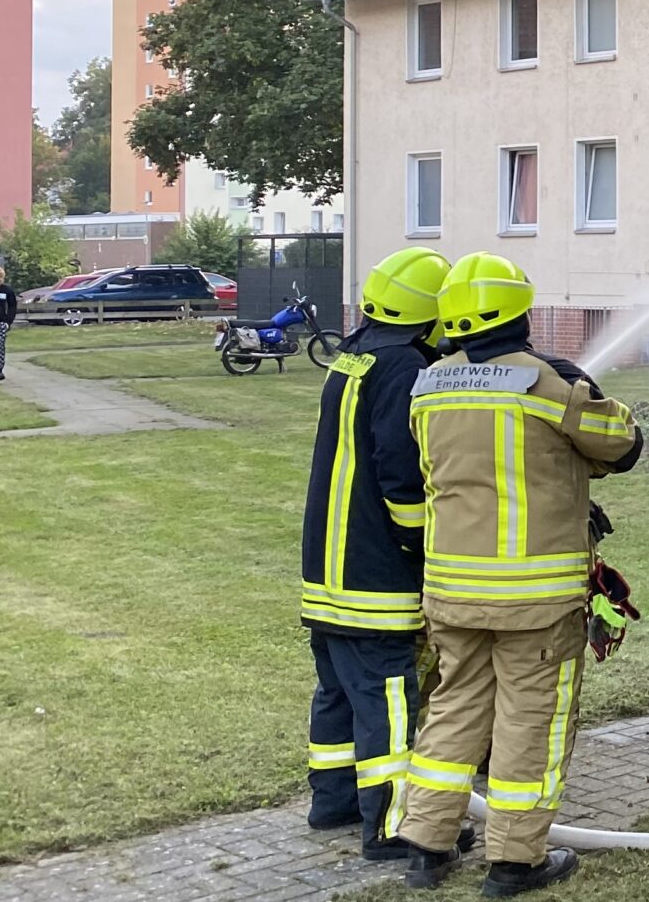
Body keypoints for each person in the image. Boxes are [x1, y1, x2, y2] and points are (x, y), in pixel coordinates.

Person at [398, 253, 642, 896]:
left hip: (451, 591)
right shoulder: (544, 385)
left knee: (452, 710)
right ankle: (514, 861)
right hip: (534, 601)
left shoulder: (428, 387)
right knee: (530, 720)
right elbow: (621, 443)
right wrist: (574, 380)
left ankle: (425, 844)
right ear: (521, 313)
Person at [301, 246, 451, 858]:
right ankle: (390, 828)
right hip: (374, 573)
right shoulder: (402, 368)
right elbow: (400, 473)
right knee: (389, 699)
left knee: (337, 692)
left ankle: (331, 801)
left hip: (327, 568)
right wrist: (422, 546)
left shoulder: (355, 356)